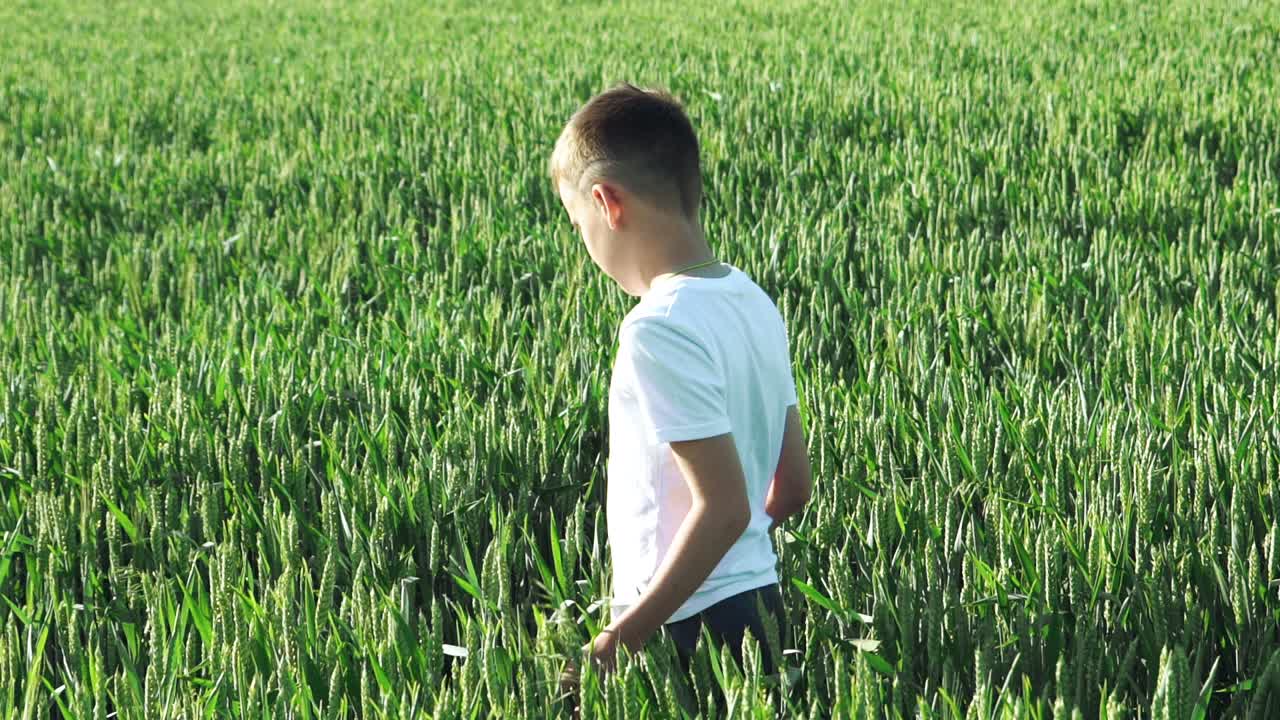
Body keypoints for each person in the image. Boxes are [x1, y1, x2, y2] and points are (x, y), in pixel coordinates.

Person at [550, 82, 813, 702]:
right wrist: (741, 558)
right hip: (759, 609)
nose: (585, 245)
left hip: (687, 625)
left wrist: (620, 637)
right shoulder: (753, 301)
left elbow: (722, 506)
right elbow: (793, 485)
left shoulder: (657, 329)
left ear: (607, 205)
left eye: (578, 225)